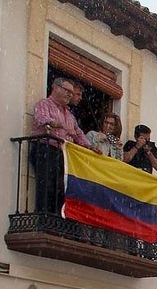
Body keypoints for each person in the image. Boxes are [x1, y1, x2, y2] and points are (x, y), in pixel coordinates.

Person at [31, 77, 95, 214]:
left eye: (71, 93)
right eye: (67, 91)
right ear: (55, 88)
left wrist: (90, 147)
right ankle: (44, 218)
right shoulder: (44, 104)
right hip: (46, 150)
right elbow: (41, 119)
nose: (70, 95)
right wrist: (59, 124)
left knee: (61, 188)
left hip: (63, 154)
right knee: (46, 185)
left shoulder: (70, 115)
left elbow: (78, 133)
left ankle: (56, 219)